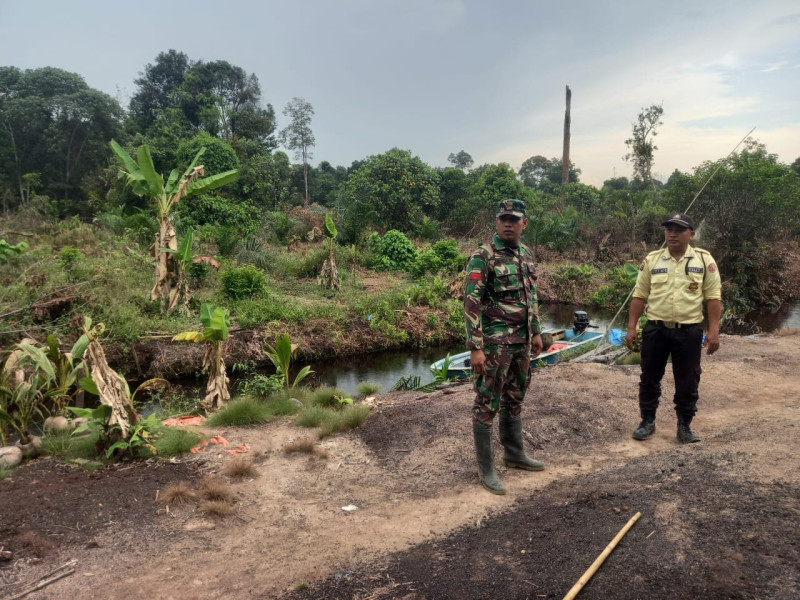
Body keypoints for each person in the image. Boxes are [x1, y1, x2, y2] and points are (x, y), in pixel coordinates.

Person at [464, 199, 544, 495]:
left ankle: (514, 454)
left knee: (515, 397)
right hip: (495, 344)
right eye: (503, 219)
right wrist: (475, 348)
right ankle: (486, 469)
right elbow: (471, 303)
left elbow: (531, 296)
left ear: (524, 223)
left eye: (514, 219)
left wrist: (536, 331)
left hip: (522, 342)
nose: (508, 223)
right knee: (487, 402)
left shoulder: (527, 254)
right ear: (496, 222)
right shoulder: (483, 256)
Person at [625, 213, 722, 444]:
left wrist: (713, 330)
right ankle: (647, 421)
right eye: (669, 229)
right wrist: (631, 328)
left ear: (691, 234)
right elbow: (639, 295)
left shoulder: (703, 260)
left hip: (688, 331)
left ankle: (684, 426)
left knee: (688, 380)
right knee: (649, 377)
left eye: (679, 230)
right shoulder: (653, 260)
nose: (672, 234)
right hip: (656, 329)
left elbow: (713, 298)